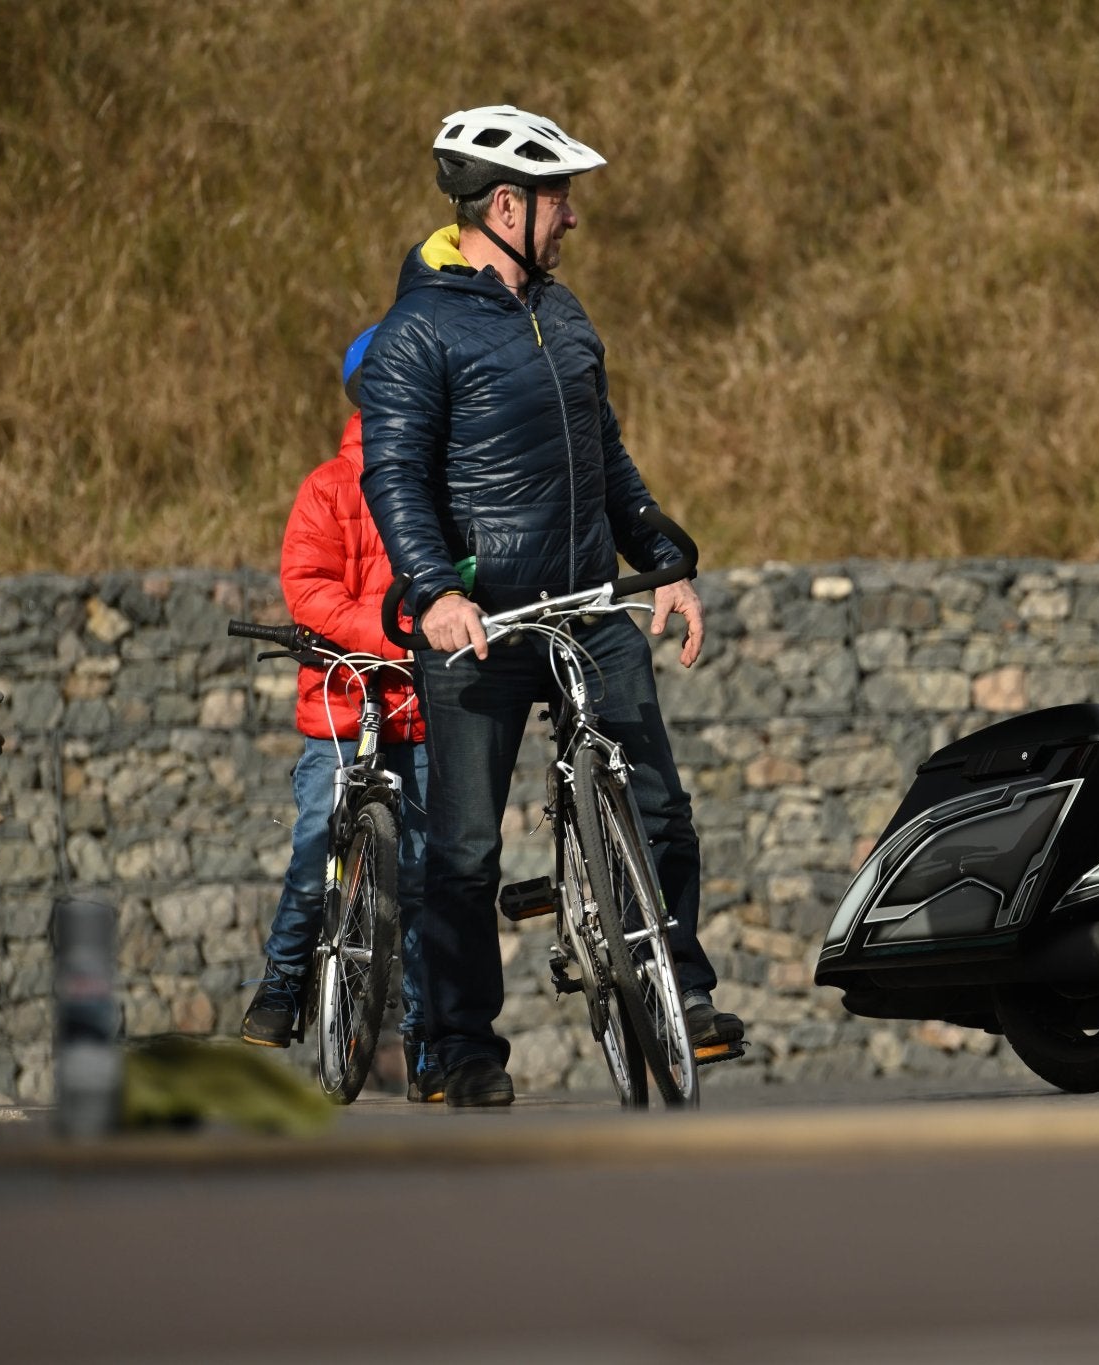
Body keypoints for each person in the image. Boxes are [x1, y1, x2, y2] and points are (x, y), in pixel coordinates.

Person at [359, 104, 740, 1107]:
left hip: (583, 603)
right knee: (467, 853)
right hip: (477, 624)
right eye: (557, 198)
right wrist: (434, 591)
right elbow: (391, 472)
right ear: (504, 205)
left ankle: (681, 992)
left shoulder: (565, 317)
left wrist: (663, 557)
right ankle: (461, 1048)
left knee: (659, 805)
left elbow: (605, 456)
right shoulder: (419, 330)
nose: (571, 217)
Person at [242, 327, 440, 1102]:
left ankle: (428, 1042)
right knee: (315, 840)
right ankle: (285, 981)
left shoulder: (435, 487)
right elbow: (309, 588)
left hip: (416, 711)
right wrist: (392, 639)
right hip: (343, 701)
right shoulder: (328, 488)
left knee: (426, 874)